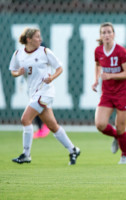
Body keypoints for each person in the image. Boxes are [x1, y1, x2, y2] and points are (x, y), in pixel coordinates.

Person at [9, 27, 80, 165]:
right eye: (37, 37)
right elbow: (13, 71)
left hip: (45, 92)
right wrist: (18, 73)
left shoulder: (44, 52)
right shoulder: (19, 54)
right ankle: (73, 150)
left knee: (25, 119)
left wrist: (52, 77)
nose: (40, 39)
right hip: (33, 93)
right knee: (53, 126)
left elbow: (59, 68)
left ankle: (26, 154)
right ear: (28, 39)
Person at [92, 22, 126, 164]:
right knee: (100, 124)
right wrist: (96, 80)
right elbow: (98, 66)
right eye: (104, 32)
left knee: (121, 128)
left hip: (123, 93)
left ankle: (124, 156)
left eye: (109, 32)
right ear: (100, 36)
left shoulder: (121, 51)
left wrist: (110, 76)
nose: (106, 35)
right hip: (107, 93)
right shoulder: (98, 51)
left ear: (113, 34)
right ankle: (116, 137)